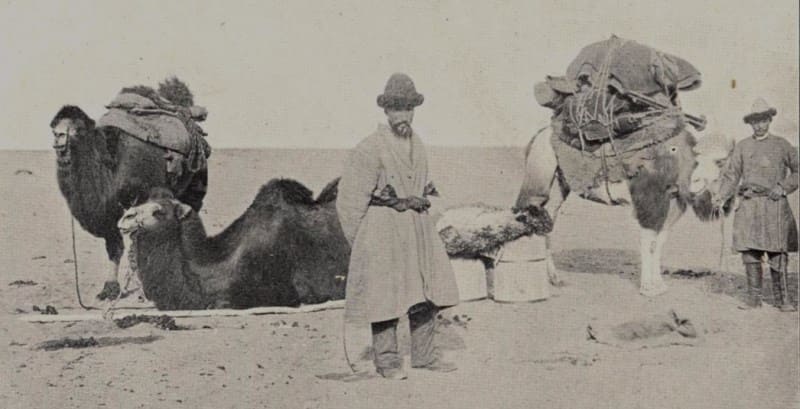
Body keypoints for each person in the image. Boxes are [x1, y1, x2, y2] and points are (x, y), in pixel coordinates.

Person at [336, 73, 460, 380]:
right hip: (383, 230)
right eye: (397, 108)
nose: (403, 115)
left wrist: (428, 209)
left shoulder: (418, 145)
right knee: (384, 296)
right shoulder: (369, 148)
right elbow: (349, 203)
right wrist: (363, 243)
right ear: (386, 110)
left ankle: (425, 356)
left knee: (428, 290)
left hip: (418, 228)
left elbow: (429, 188)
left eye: (408, 108)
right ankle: (388, 362)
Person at [714, 98, 798, 311]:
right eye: (755, 121)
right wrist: (721, 196)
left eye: (763, 120)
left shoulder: (782, 145)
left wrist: (784, 186)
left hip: (774, 204)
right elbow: (732, 175)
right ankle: (754, 299)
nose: (759, 125)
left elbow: (798, 170)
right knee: (750, 252)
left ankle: (783, 300)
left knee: (777, 252)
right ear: (750, 123)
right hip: (749, 205)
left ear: (770, 120)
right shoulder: (742, 146)